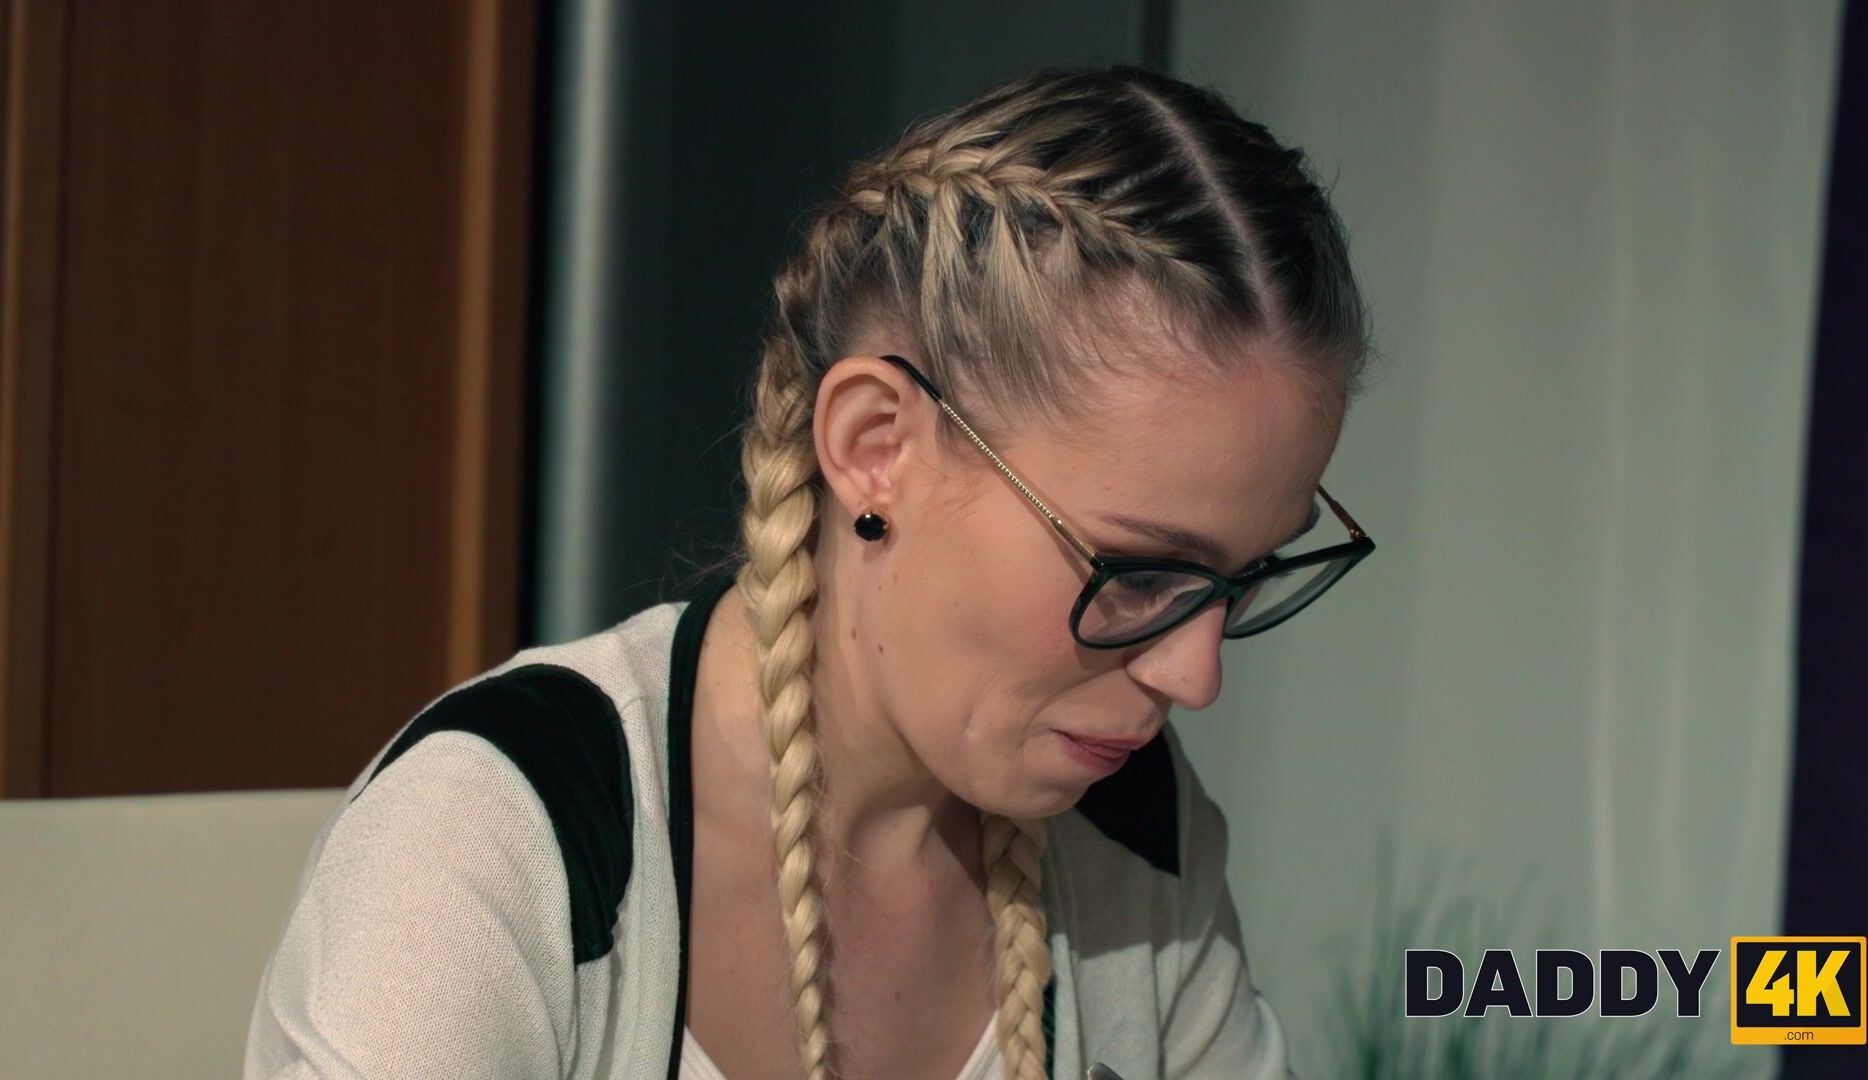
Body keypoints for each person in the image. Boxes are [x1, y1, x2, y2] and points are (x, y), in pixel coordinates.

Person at [245, 62, 1377, 1080]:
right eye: (1136, 570)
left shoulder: (1131, 831)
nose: (1195, 677)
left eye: (1242, 578)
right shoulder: (500, 840)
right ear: (876, 446)